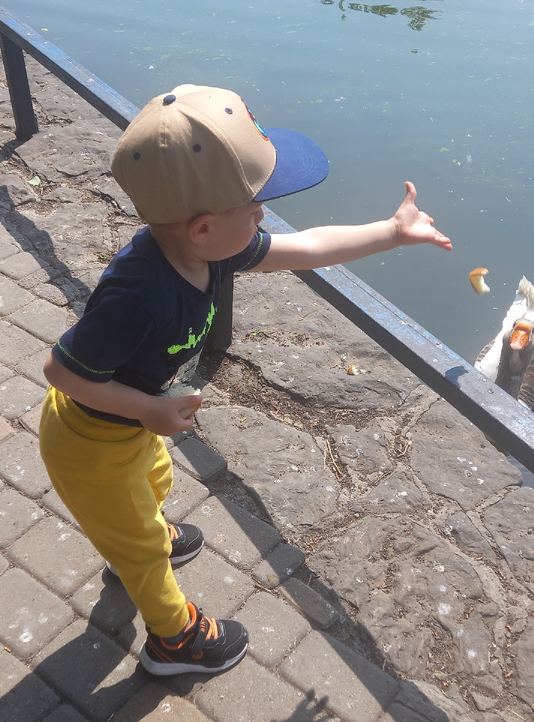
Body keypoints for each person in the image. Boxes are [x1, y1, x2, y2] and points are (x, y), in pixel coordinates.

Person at [39, 84, 452, 676]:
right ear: (204, 227)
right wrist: (145, 410)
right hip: (90, 445)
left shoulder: (209, 250)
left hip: (128, 432)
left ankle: (131, 538)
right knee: (144, 551)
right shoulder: (138, 295)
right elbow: (61, 370)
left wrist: (391, 231)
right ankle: (172, 642)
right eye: (255, 210)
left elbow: (308, 246)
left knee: (152, 485)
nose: (264, 219)